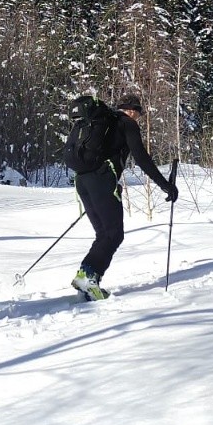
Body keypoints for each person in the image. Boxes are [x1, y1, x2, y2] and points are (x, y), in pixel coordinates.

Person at [71, 92, 178, 301]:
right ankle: (88, 276)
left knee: (104, 234)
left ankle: (87, 275)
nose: (137, 118)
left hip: (82, 180)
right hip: (102, 181)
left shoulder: (102, 123)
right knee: (113, 234)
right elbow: (141, 158)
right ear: (131, 111)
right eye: (137, 114)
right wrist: (166, 185)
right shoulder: (126, 124)